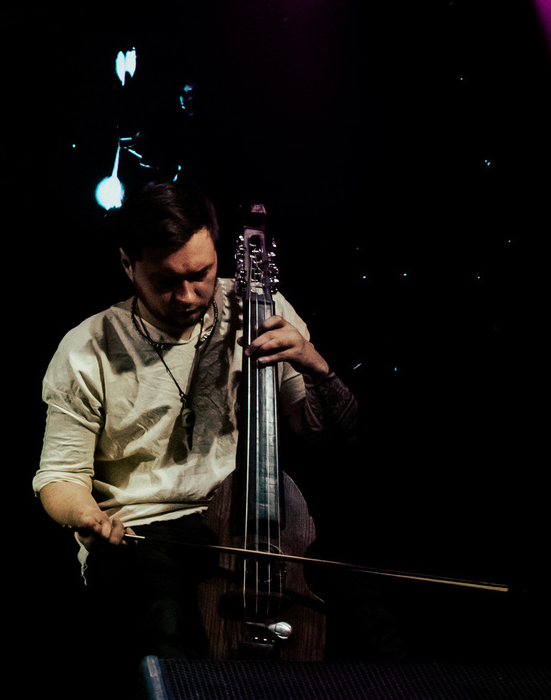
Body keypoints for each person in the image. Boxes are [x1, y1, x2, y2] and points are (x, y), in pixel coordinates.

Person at [32, 181, 397, 664]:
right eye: (165, 280)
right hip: (149, 531)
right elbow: (59, 477)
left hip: (255, 525)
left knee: (373, 625)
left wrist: (316, 366)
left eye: (201, 274)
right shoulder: (86, 347)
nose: (186, 295)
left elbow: (334, 438)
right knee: (167, 627)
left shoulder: (261, 310)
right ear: (128, 265)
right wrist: (86, 515)